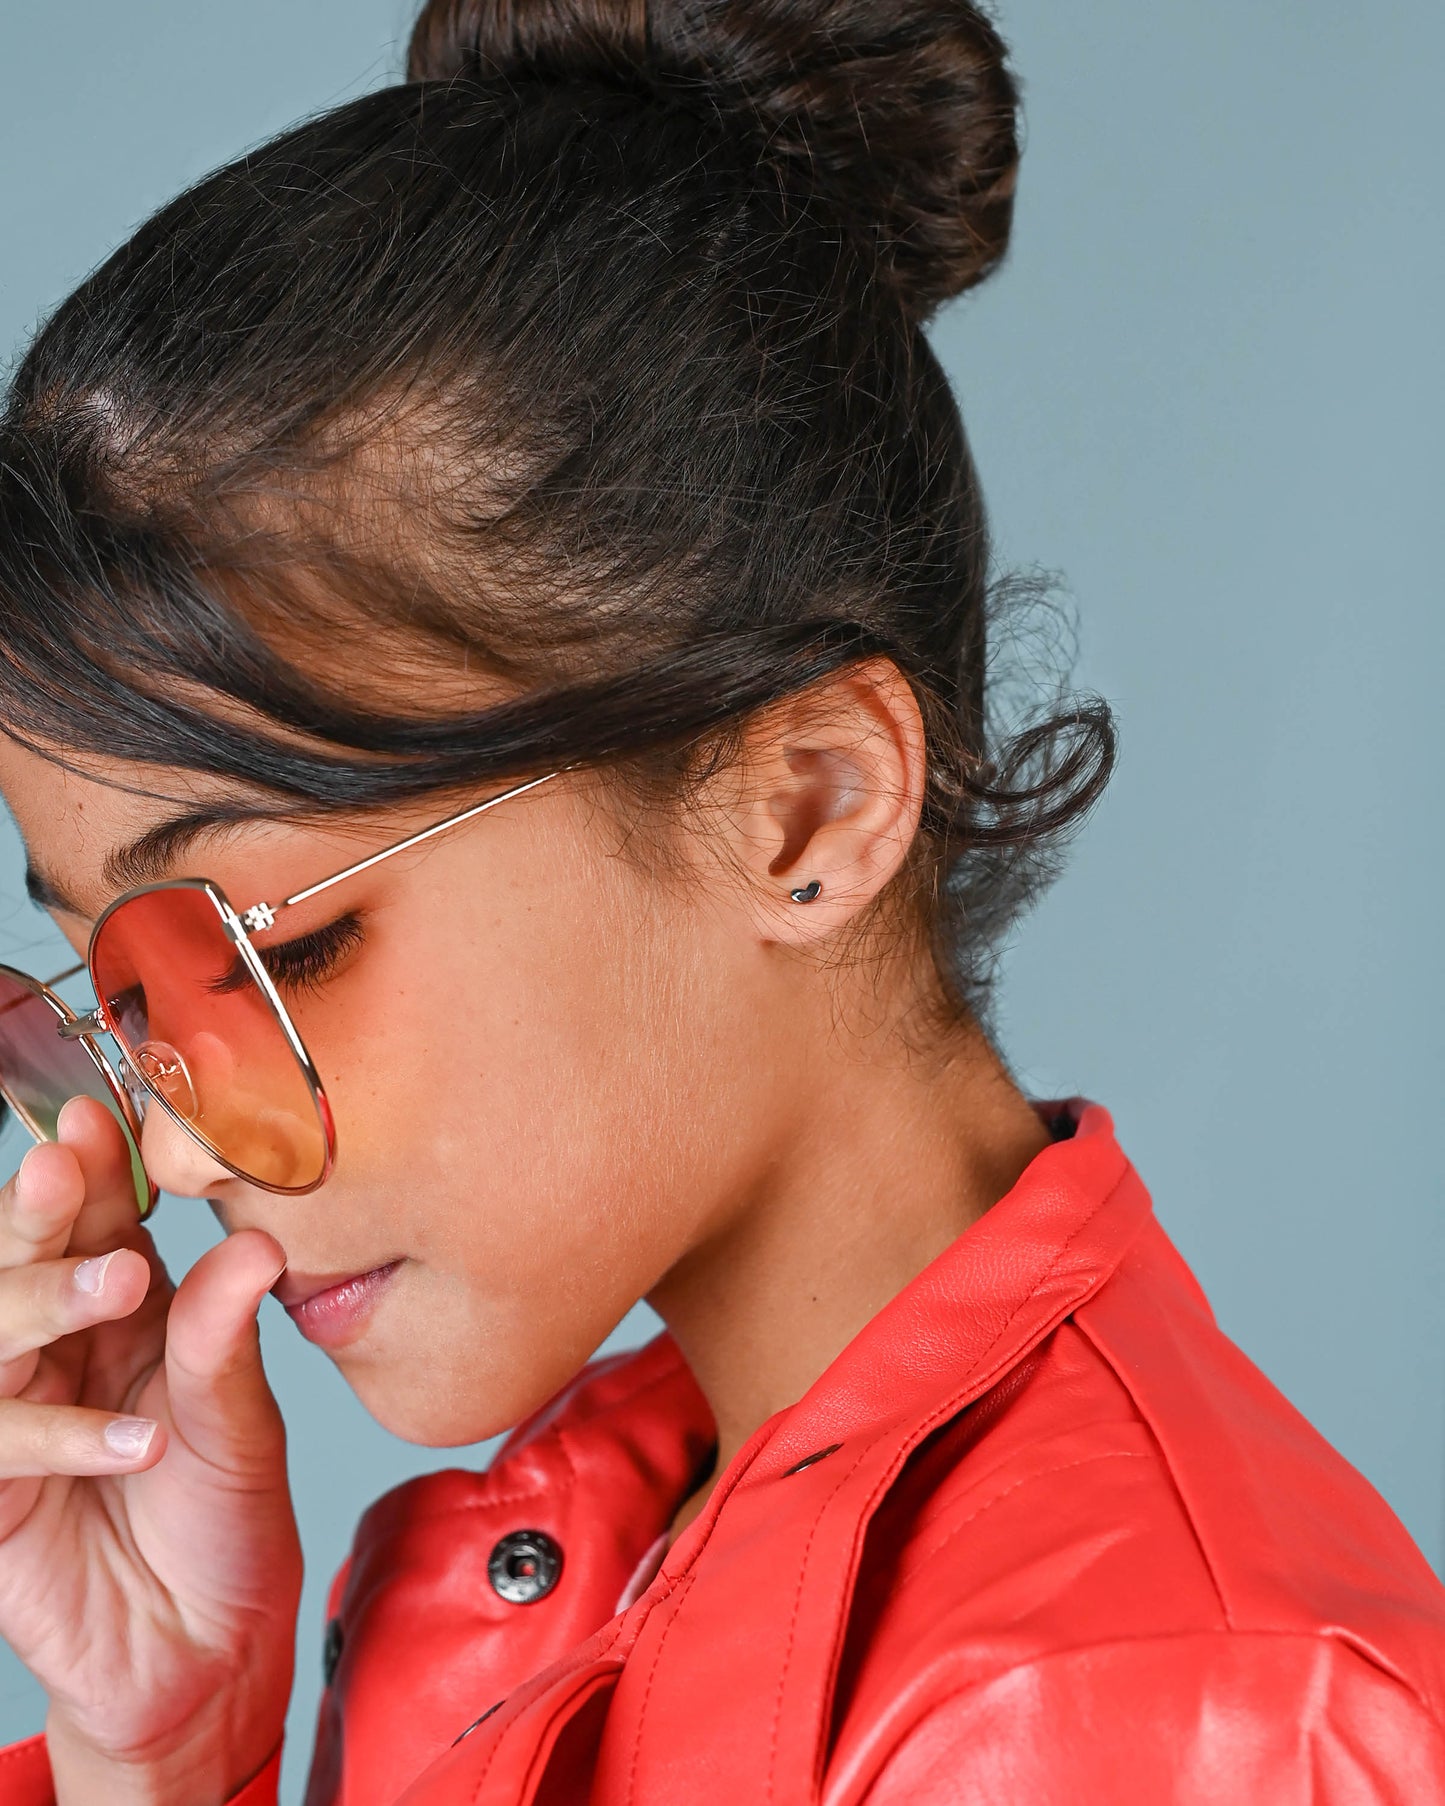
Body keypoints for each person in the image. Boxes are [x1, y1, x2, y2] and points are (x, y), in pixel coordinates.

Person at [0, 3, 1440, 1802]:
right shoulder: (591, 1538)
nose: (188, 1159)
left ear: (805, 811)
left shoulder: (1136, 1713)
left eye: (267, 954)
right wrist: (159, 1759)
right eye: (108, 1006)